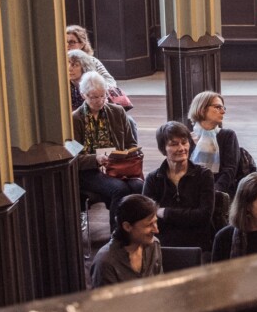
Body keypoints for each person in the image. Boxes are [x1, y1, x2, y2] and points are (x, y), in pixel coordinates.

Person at [73, 71, 142, 221]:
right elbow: (74, 159)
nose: (100, 100)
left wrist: (125, 154)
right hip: (90, 171)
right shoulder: (75, 119)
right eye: (94, 97)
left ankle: (134, 230)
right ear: (83, 95)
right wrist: (96, 159)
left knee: (138, 186)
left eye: (103, 95)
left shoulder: (117, 112)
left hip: (118, 166)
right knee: (119, 189)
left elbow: (131, 143)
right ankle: (117, 235)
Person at [143, 121, 216, 254]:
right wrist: (189, 215)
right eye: (174, 144)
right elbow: (147, 217)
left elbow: (204, 216)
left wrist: (165, 213)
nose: (182, 148)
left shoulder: (204, 175)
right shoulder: (153, 179)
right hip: (163, 244)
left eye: (184, 142)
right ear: (163, 148)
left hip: (198, 244)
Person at [90, 195, 163, 287]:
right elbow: (105, 301)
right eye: (149, 225)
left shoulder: (154, 244)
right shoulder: (106, 262)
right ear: (127, 226)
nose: (156, 230)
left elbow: (160, 287)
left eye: (155, 222)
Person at [187, 90, 241, 196]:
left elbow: (229, 170)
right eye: (218, 107)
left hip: (219, 194)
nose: (223, 111)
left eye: (223, 108)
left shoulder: (228, 135)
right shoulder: (187, 138)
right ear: (202, 109)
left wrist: (212, 193)